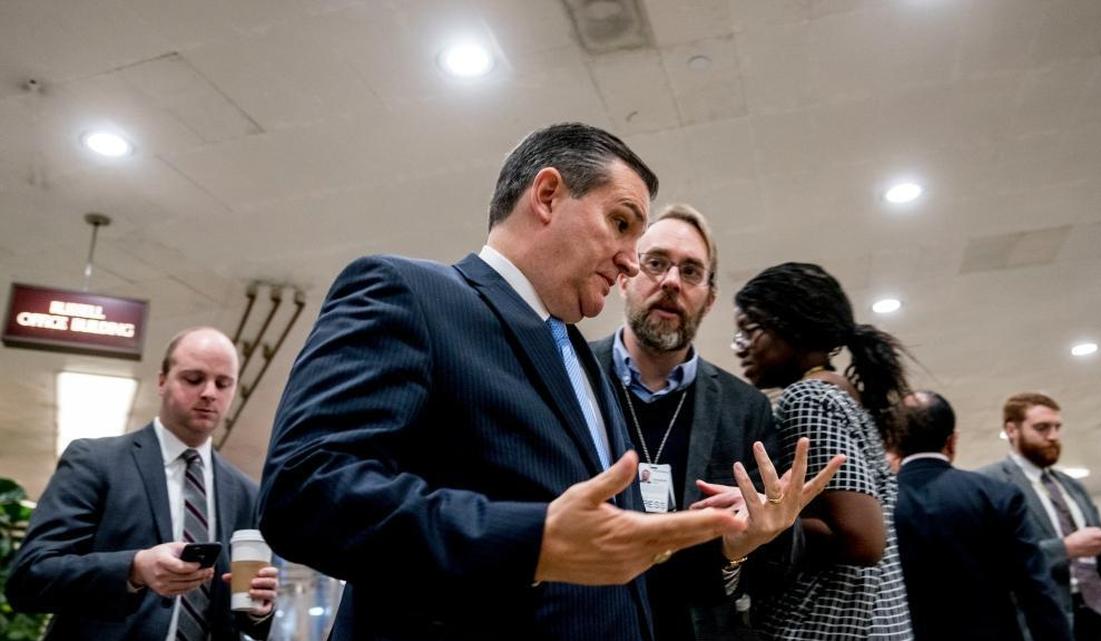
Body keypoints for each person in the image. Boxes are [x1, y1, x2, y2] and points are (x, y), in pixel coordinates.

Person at [257, 123, 836, 641]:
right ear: (548, 194)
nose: (632, 262)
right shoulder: (407, 293)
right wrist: (528, 541)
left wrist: (732, 541)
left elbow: (614, 549)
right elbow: (303, 488)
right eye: (620, 223)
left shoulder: (584, 361)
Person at [590, 204, 828, 641]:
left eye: (691, 271)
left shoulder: (746, 408)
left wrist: (749, 540)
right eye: (656, 262)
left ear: (710, 298)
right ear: (625, 276)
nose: (671, 282)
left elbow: (772, 559)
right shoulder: (571, 374)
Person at [7, 327, 279, 641]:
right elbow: (29, 578)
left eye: (223, 383)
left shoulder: (245, 492)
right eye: (193, 379)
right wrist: (134, 569)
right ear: (162, 381)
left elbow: (240, 618)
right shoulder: (94, 461)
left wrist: (259, 610)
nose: (209, 393)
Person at [731, 262, 913, 640]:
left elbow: (863, 539)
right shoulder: (842, 395)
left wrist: (759, 519)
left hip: (823, 624)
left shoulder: (808, 397)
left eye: (749, 330)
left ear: (793, 328)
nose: (741, 346)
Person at [892, 390, 1072, 641]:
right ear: (952, 440)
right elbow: (1035, 588)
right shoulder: (998, 494)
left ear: (893, 441)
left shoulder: (878, 501)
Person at [979, 392, 1101, 641]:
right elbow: (994, 561)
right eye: (1042, 428)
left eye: (1057, 427)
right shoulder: (990, 484)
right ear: (1012, 430)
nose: (1053, 436)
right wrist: (1064, 549)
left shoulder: (1072, 486)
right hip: (1050, 621)